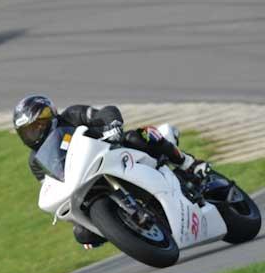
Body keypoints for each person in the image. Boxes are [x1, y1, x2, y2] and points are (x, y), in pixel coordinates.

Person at [12, 95, 210, 249]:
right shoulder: (35, 162)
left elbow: (105, 112)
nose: (35, 132)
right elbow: (52, 183)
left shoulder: (71, 115)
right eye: (29, 130)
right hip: (84, 179)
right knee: (82, 234)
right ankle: (122, 227)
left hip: (115, 151)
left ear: (50, 116)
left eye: (38, 124)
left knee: (138, 136)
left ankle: (188, 164)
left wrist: (112, 124)